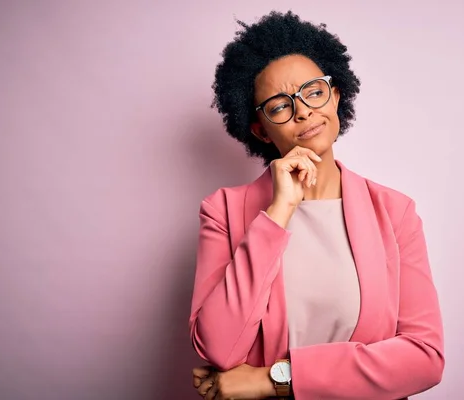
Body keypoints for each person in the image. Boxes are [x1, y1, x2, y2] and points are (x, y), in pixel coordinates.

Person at [189, 10, 444, 400]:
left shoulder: (395, 212)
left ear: (336, 95)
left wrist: (273, 380)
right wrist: (278, 211)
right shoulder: (223, 211)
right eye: (279, 106)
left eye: (314, 91)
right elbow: (219, 348)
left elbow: (424, 357)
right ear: (259, 128)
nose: (304, 111)